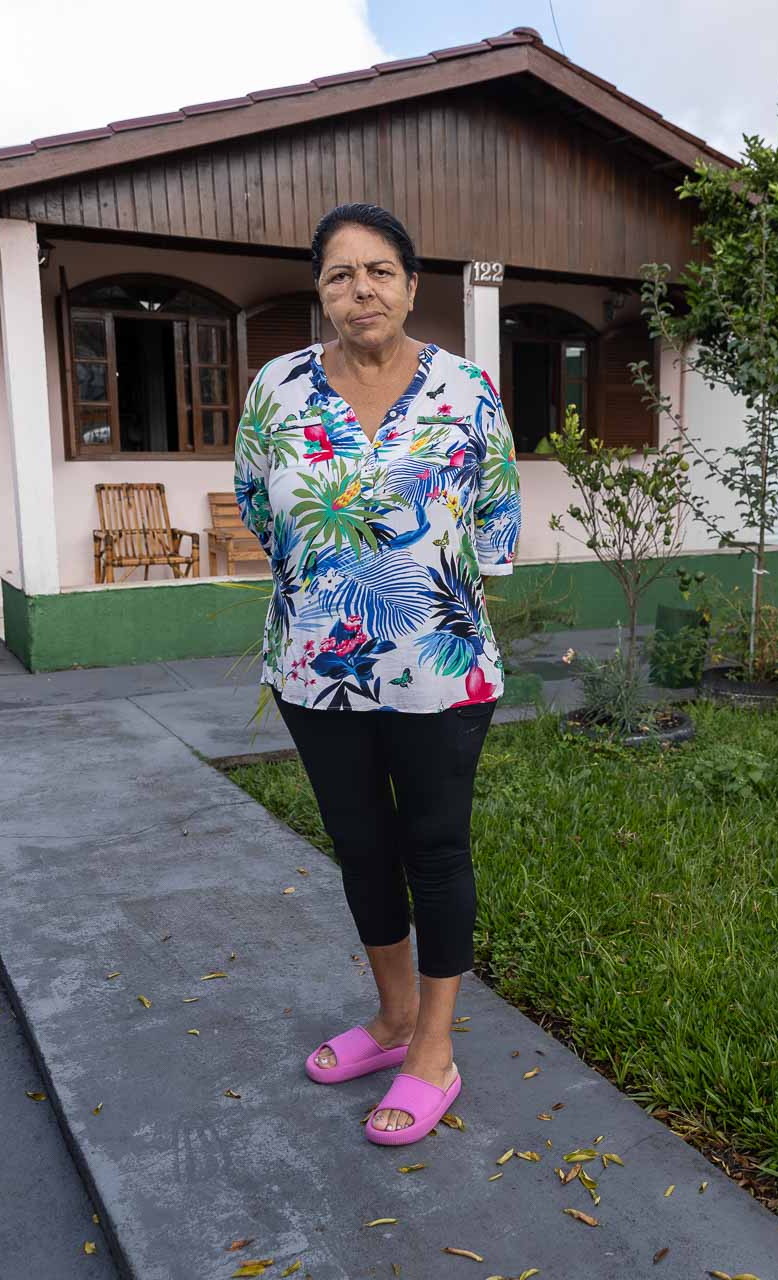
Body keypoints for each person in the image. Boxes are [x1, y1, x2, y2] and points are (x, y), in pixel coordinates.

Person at [233, 203, 521, 1147]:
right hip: (317, 667)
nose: (361, 289)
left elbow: (493, 520)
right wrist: (324, 588)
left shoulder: (468, 390)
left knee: (434, 850)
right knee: (360, 847)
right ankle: (392, 1019)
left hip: (436, 670)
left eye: (380, 271)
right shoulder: (276, 387)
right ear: (319, 291)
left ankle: (434, 1049)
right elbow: (256, 500)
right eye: (340, 274)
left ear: (410, 283)